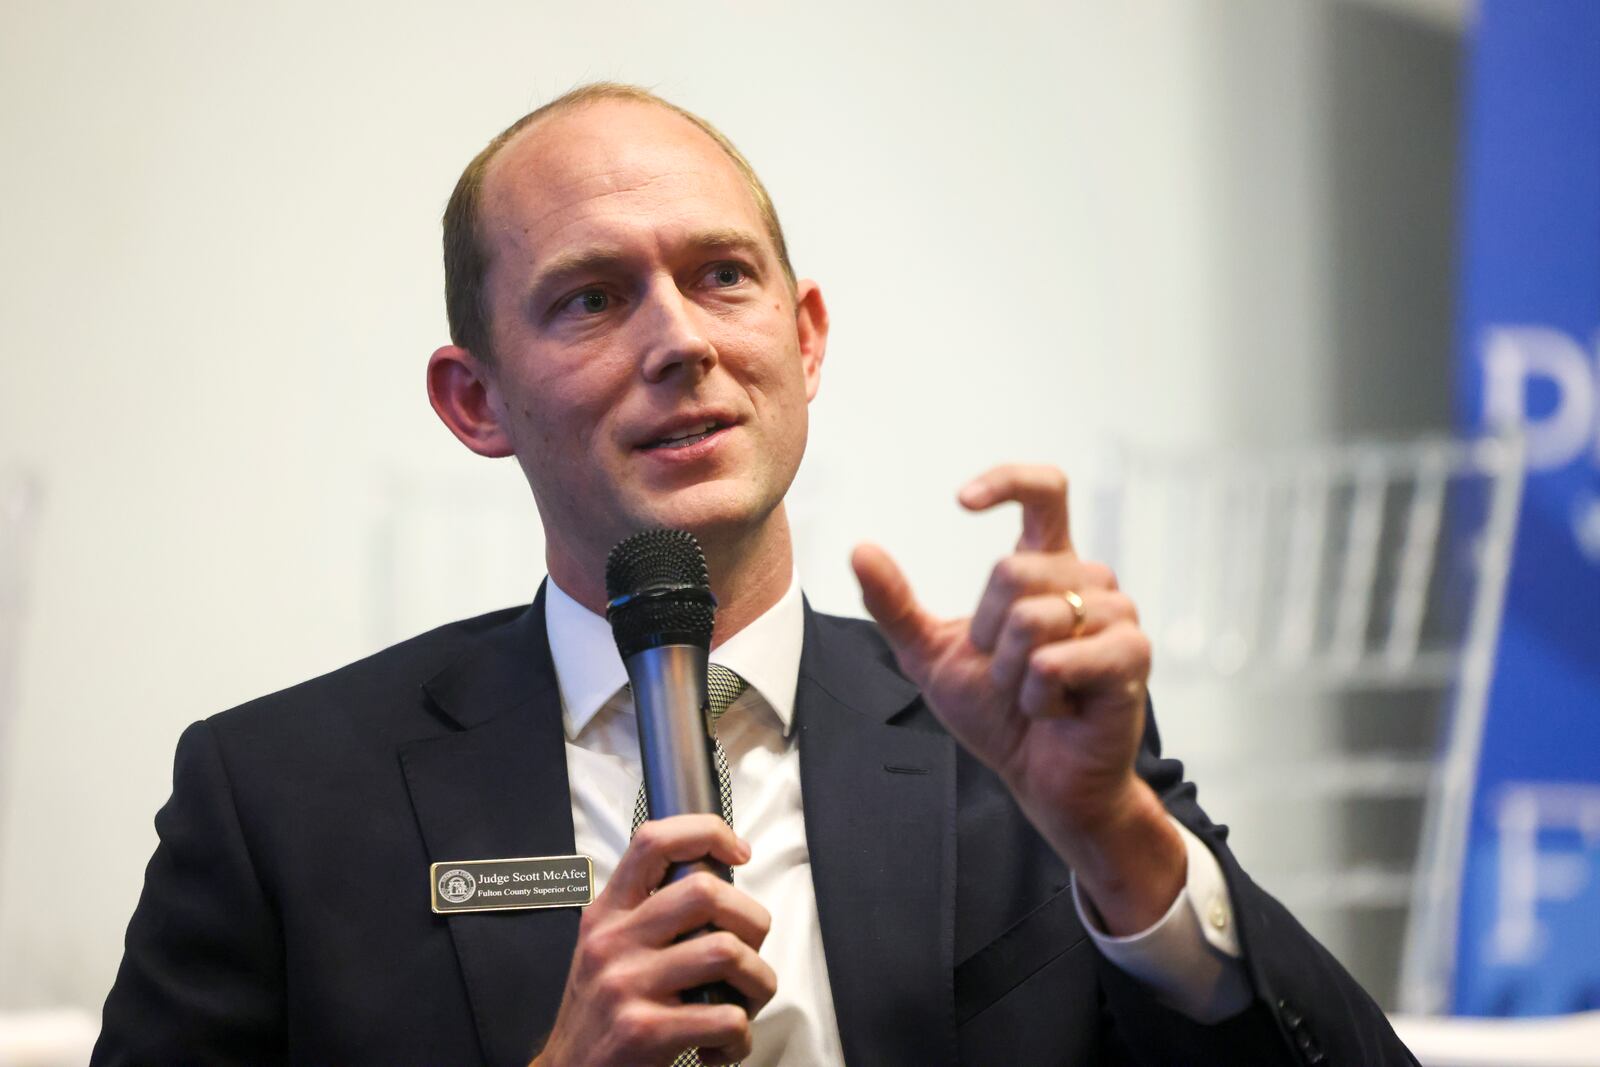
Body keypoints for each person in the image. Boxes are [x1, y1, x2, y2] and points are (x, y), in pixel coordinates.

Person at [94, 83, 1414, 1065]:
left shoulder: (1012, 747)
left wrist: (1119, 841)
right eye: (593, 299)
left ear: (805, 336)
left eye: (721, 277)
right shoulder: (276, 798)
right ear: (474, 401)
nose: (679, 341)